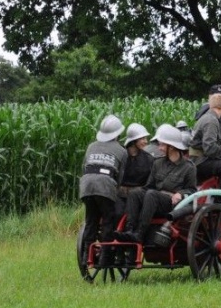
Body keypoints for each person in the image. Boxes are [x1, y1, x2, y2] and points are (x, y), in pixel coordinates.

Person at [115, 124, 197, 243]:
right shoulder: (158, 163)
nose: (159, 148)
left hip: (171, 204)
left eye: (162, 144)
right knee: (136, 193)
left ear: (172, 147)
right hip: (153, 200)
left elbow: (192, 190)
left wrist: (180, 193)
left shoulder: (189, 167)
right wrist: (137, 192)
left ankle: (140, 234)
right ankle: (129, 230)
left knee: (151, 194)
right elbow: (149, 186)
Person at [78, 114, 127, 267]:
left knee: (91, 220)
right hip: (106, 186)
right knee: (108, 219)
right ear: (118, 133)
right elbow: (120, 176)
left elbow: (84, 167)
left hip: (86, 185)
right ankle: (105, 257)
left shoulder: (91, 146)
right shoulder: (121, 150)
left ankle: (87, 255)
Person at [115, 123, 154, 220]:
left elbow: (150, 182)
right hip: (119, 195)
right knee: (117, 213)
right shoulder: (120, 154)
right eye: (142, 138)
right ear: (133, 140)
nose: (146, 141)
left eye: (146, 138)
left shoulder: (149, 159)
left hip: (138, 197)